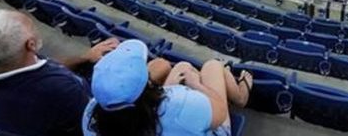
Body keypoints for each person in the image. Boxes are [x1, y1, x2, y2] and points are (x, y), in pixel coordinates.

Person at [0, 9, 120, 136]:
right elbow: (100, 120)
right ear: (31, 45)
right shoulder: (61, 90)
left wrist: (85, 57)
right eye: (31, 28)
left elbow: (49, 65)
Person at [83, 39, 252, 136]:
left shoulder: (91, 118)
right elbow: (219, 112)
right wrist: (196, 84)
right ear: (146, 84)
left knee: (182, 67)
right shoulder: (178, 105)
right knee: (212, 66)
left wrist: (171, 86)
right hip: (207, 127)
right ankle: (240, 96)